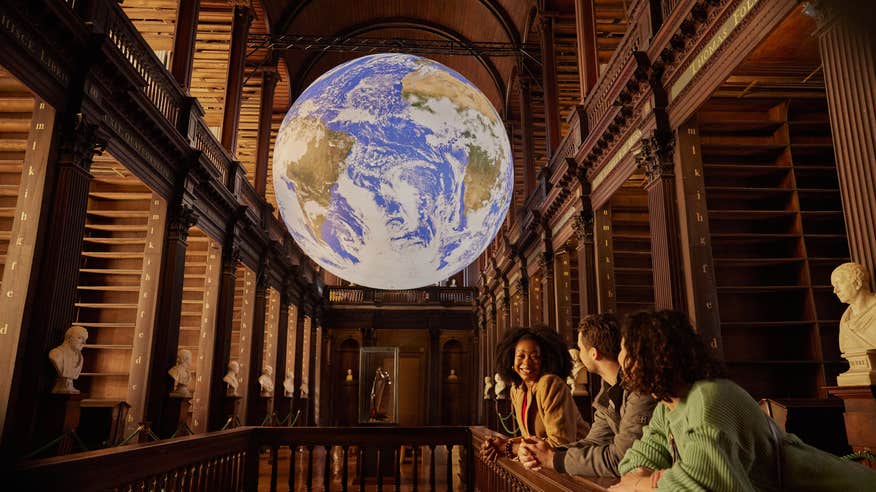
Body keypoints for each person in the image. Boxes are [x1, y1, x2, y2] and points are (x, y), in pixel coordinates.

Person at [611, 310, 876, 491]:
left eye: (624, 349)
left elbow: (703, 485)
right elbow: (633, 462)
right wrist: (657, 478)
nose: (620, 359)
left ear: (650, 356)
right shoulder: (667, 407)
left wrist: (640, 485)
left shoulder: (708, 397)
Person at [519, 314, 656, 477]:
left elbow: (622, 456)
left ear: (593, 353)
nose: (577, 352)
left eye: (580, 347)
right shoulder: (608, 391)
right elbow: (594, 442)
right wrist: (545, 452)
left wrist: (554, 459)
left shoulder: (640, 389)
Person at [481, 327, 589, 461]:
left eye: (534, 356)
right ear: (510, 359)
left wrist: (508, 448)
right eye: (521, 356)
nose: (526, 363)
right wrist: (503, 443)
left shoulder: (550, 384)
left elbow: (560, 444)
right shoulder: (517, 389)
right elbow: (531, 438)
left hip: (578, 464)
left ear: (544, 359)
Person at [831, 262, 876, 353]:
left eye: (838, 283)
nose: (835, 291)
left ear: (857, 283)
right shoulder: (845, 320)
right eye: (834, 286)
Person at [48, 325, 88, 394]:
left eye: (85, 340)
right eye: (80, 338)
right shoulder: (56, 354)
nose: (83, 343)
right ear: (69, 338)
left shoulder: (80, 358)